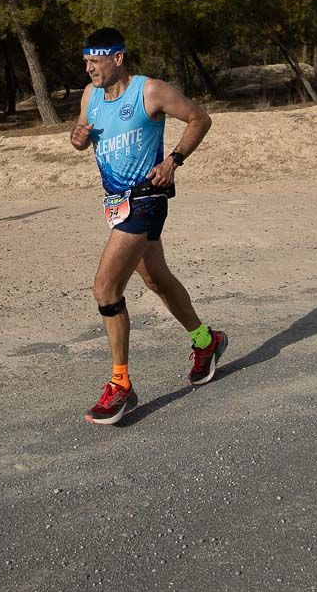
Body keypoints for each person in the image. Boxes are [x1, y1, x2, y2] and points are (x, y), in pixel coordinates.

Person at [70, 27, 228, 425]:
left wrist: (173, 160)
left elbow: (199, 118)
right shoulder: (90, 96)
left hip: (148, 197)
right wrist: (78, 138)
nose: (90, 69)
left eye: (96, 61)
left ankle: (120, 384)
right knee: (156, 279)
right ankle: (206, 342)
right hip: (117, 204)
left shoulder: (149, 91)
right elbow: (80, 137)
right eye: (86, 61)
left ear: (118, 58)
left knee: (105, 288)